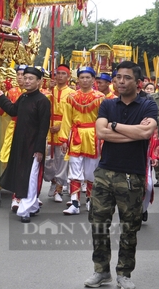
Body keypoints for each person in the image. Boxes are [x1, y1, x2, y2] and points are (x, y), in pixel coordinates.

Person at [85, 61, 158, 289]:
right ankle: (101, 271)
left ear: (137, 82)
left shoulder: (148, 105)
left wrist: (115, 127)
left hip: (132, 174)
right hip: (105, 171)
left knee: (129, 227)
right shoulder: (107, 105)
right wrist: (133, 132)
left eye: (126, 78)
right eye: (118, 77)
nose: (121, 81)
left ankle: (124, 273)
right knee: (99, 224)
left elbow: (147, 132)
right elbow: (100, 132)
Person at [0, 67, 51, 223]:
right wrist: (1, 98)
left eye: (30, 79)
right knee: (21, 174)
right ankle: (31, 207)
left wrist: (39, 149)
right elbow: (13, 111)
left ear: (39, 81)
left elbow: (43, 127)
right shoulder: (24, 97)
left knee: (30, 177)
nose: (26, 81)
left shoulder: (43, 101)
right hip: (20, 142)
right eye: (25, 78)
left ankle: (25, 209)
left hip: (33, 146)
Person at [59, 66, 106, 215]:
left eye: (88, 77)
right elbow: (66, 119)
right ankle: (74, 203)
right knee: (74, 168)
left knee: (92, 171)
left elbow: (103, 119)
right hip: (76, 135)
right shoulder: (71, 97)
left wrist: (103, 137)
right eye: (82, 77)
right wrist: (63, 139)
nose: (85, 80)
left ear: (93, 80)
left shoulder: (100, 98)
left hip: (94, 136)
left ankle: (91, 202)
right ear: (77, 80)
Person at [45, 64, 75, 205]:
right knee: (47, 160)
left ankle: (59, 187)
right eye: (58, 73)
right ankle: (52, 180)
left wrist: (60, 126)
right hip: (48, 128)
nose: (60, 76)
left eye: (63, 73)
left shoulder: (71, 93)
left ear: (68, 76)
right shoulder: (49, 90)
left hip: (64, 128)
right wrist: (47, 90)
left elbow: (72, 115)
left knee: (62, 160)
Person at [0, 65, 26, 210]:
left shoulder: (33, 94)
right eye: (19, 74)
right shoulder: (11, 92)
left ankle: (21, 195)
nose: (21, 77)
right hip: (12, 128)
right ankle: (14, 192)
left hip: (26, 130)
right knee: (8, 158)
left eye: (23, 74)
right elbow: (4, 112)